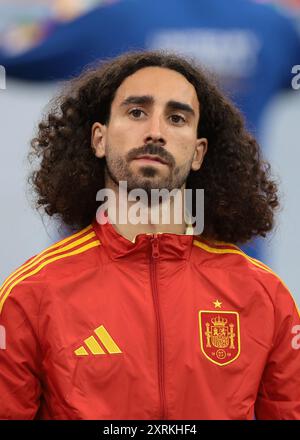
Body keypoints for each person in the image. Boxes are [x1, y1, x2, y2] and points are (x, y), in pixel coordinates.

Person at [0, 51, 299, 420]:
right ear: (99, 139)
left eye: (176, 118)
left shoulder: (265, 297)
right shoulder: (31, 295)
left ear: (198, 153)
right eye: (136, 112)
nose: (155, 131)